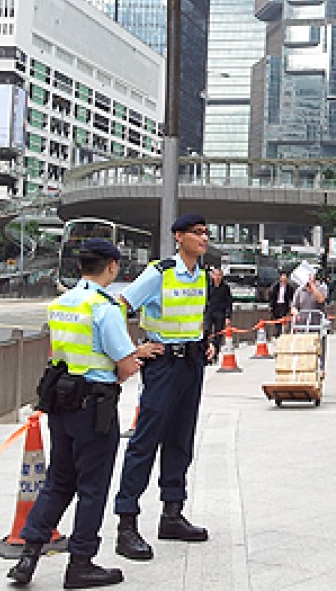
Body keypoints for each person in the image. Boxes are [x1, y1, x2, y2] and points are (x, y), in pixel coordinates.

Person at [8, 239, 163, 588]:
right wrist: (136, 356)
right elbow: (123, 366)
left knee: (59, 481)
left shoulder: (63, 303)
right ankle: (81, 562)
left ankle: (28, 558)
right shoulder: (104, 307)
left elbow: (78, 351)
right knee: (93, 486)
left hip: (62, 403)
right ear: (111, 267)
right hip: (95, 406)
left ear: (81, 267)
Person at [113, 213, 214, 561]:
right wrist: (131, 350)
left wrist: (205, 341)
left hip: (192, 364)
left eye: (206, 233)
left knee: (181, 439)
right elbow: (119, 306)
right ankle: (126, 524)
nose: (204, 239)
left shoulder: (202, 275)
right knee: (146, 441)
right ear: (178, 237)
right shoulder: (160, 273)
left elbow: (195, 316)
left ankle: (172, 513)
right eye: (197, 233)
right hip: (164, 365)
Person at [204, 267, 232, 361]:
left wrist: (228, 316)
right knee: (207, 332)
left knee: (218, 334)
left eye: (219, 275)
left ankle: (215, 354)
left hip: (220, 313)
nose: (217, 277)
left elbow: (228, 303)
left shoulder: (225, 287)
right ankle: (207, 353)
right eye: (215, 275)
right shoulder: (207, 286)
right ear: (212, 275)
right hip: (208, 312)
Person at [267, 272, 295, 337]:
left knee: (283, 318)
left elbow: (292, 297)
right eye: (282, 277)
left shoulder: (289, 287)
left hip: (284, 305)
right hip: (276, 305)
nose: (284, 279)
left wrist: (291, 305)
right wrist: (270, 305)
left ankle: (281, 333)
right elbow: (271, 296)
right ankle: (277, 333)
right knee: (276, 319)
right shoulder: (275, 286)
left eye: (285, 278)